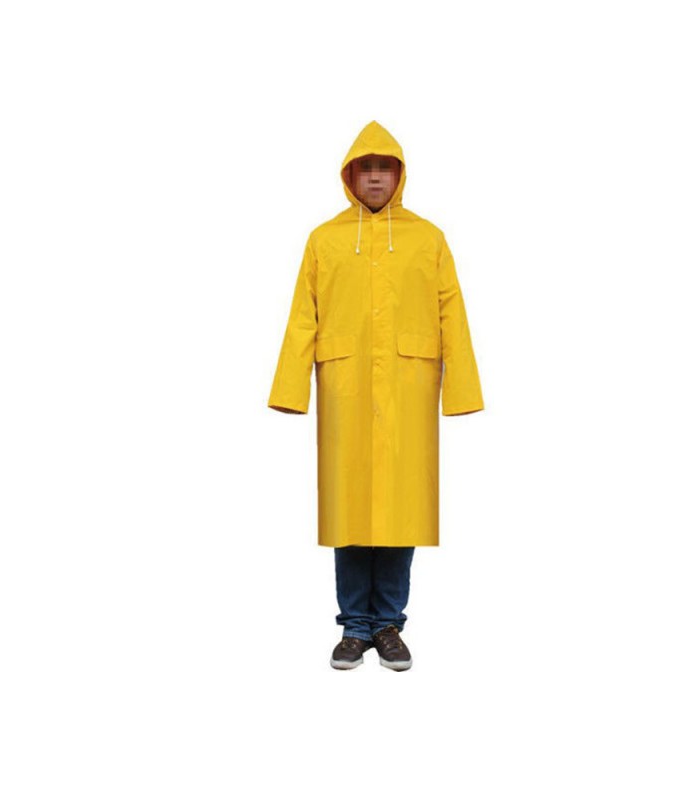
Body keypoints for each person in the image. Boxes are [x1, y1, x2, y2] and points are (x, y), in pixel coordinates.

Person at [268, 120, 484, 671]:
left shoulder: (428, 239)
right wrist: (290, 388)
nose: (374, 177)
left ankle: (388, 624)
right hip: (346, 387)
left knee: (399, 508)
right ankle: (353, 627)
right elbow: (303, 318)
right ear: (349, 175)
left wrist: (462, 390)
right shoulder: (324, 239)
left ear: (400, 175)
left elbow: (452, 315)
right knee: (349, 507)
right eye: (365, 168)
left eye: (384, 167)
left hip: (408, 388)